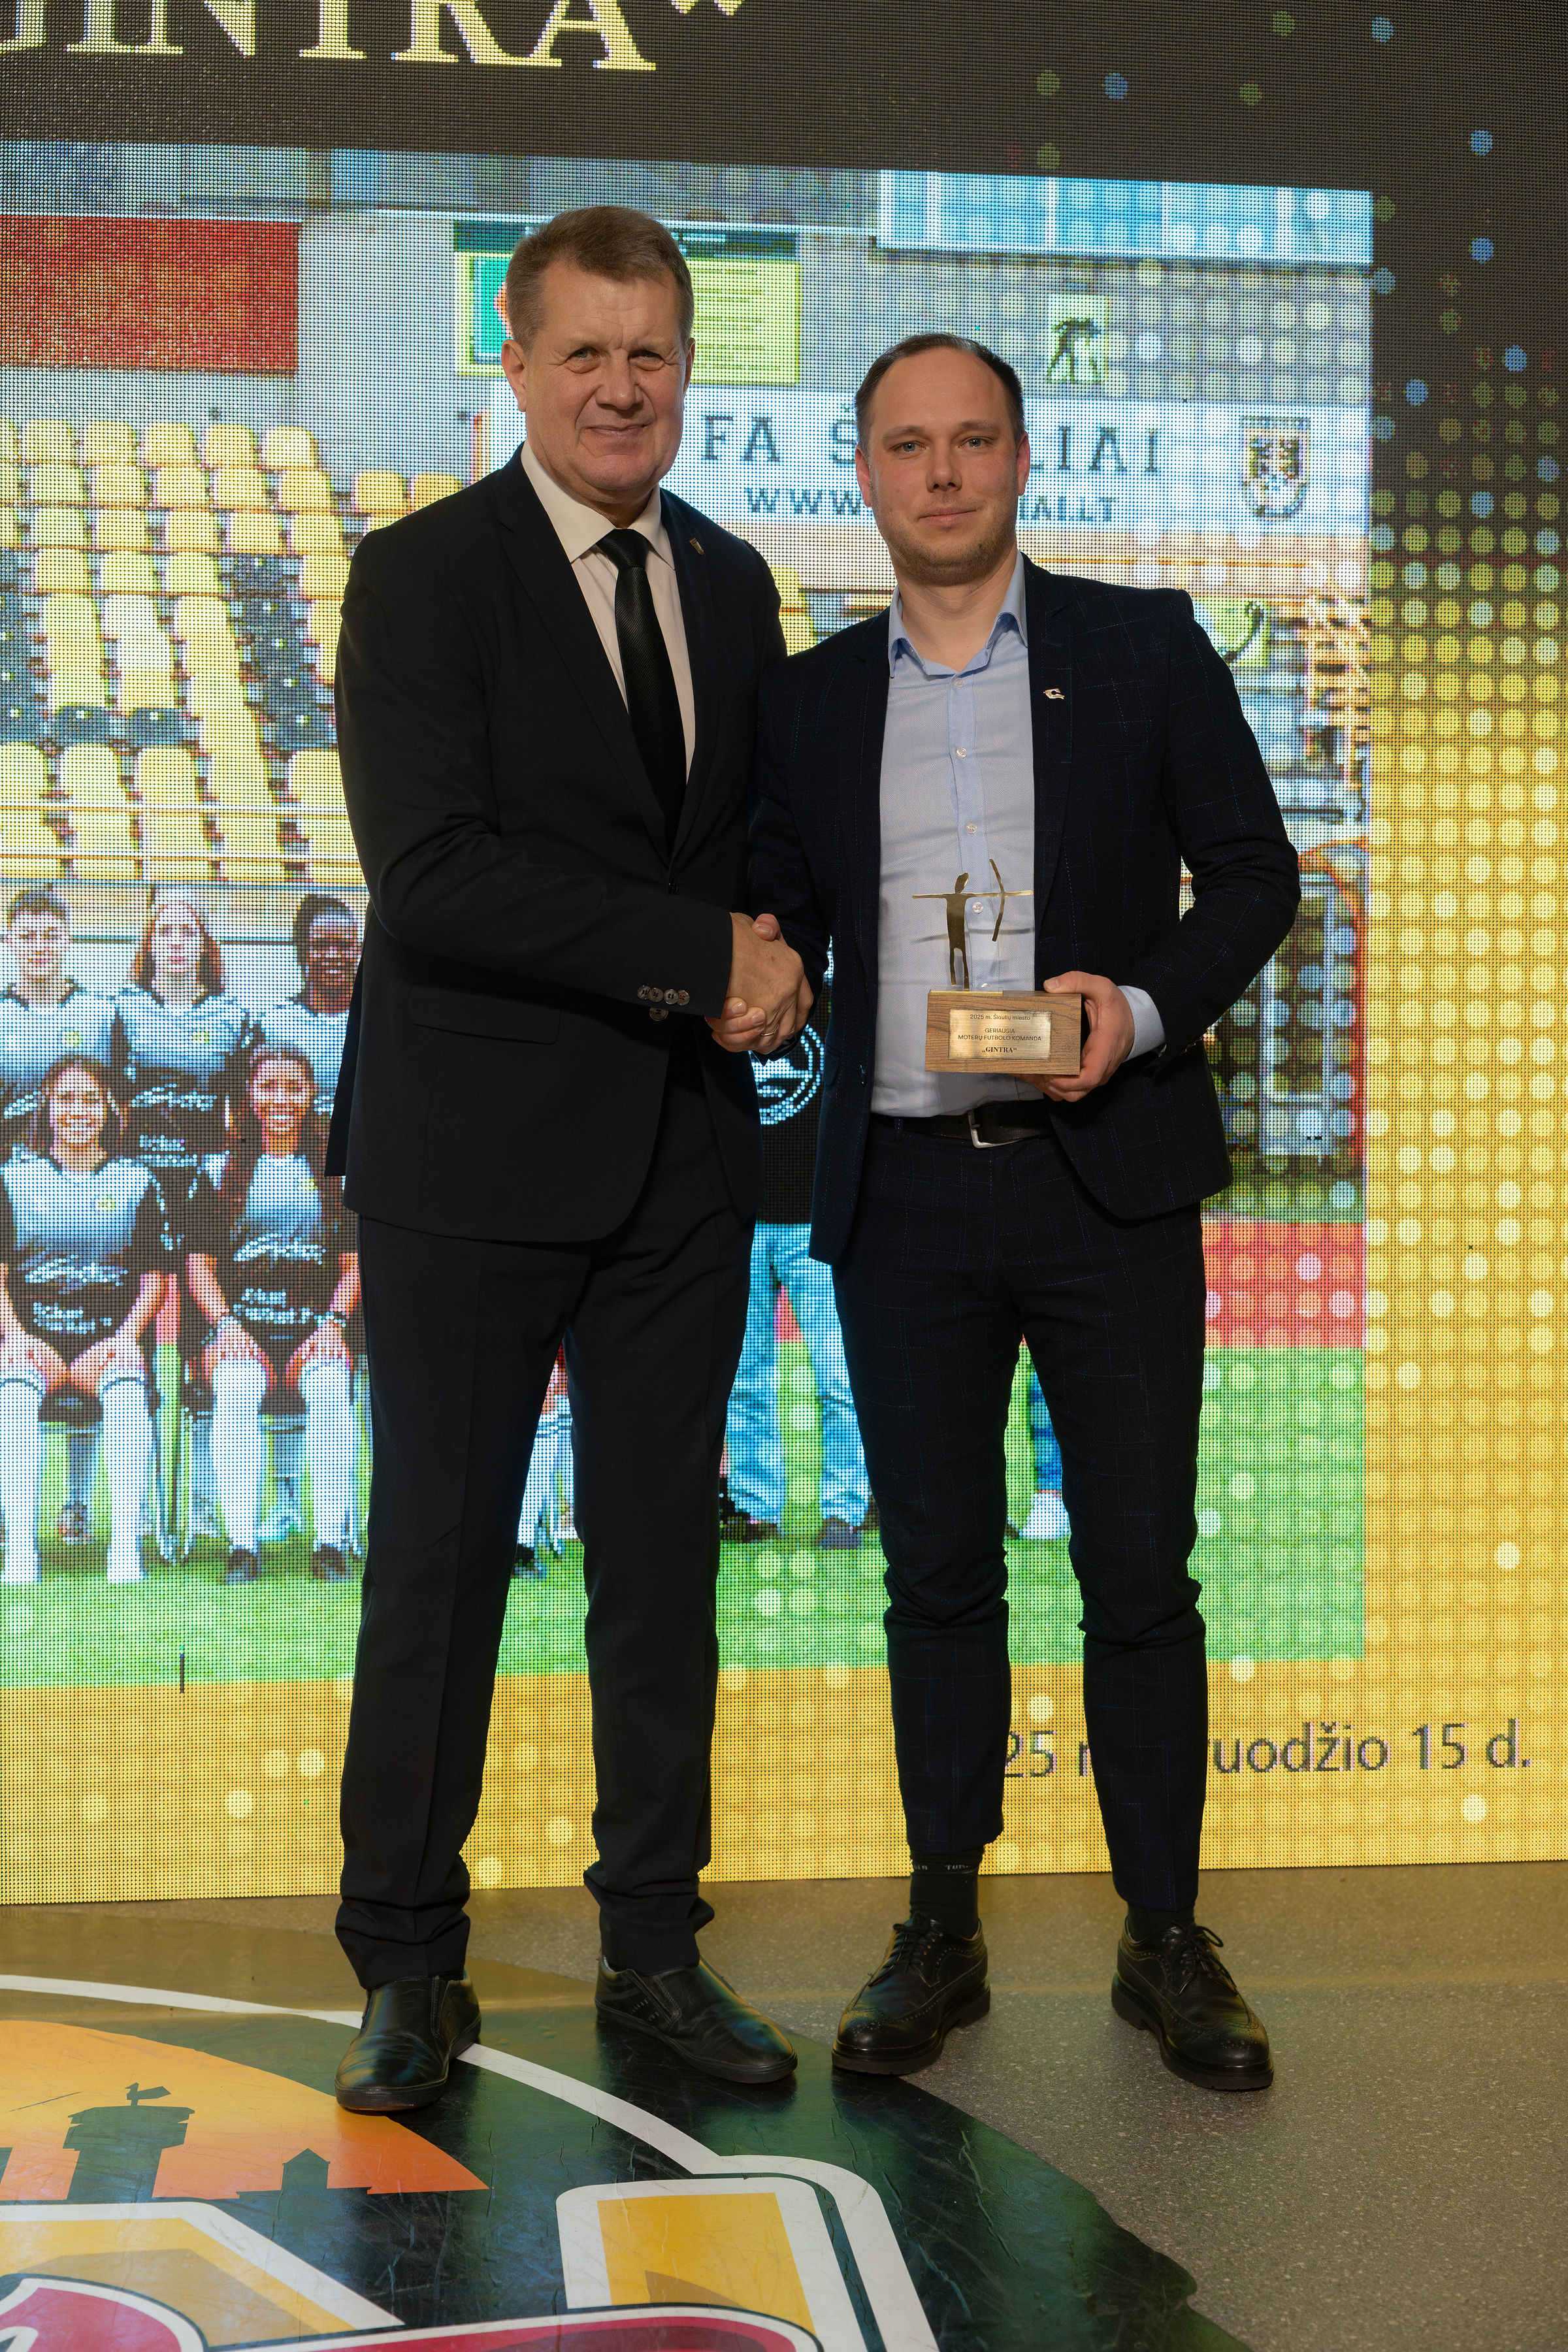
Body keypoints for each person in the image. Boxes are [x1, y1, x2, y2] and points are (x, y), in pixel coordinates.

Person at [725, 333, 1300, 2091]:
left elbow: (1256, 874)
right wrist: (747, 961)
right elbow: (771, 909)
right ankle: (939, 1929)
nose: (941, 472)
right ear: (864, 474)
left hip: (1103, 1177)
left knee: (1138, 1575)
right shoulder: (808, 699)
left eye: (971, 440)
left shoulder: (1145, 644)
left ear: (1021, 460)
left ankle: (1165, 1936)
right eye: (906, 445)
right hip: (902, 1191)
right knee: (935, 1582)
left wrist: (1136, 1007)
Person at [325, 204, 809, 2112]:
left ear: (686, 370)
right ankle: (404, 1963)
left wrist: (781, 959)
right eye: (585, 351)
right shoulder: (421, 574)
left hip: (677, 1162)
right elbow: (431, 872)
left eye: (651, 352)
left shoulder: (734, 582)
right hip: (466, 1158)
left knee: (662, 1573)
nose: (621, 386)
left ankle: (655, 1950)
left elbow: (756, 853)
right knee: (440, 1565)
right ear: (515, 366)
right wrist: (703, 956)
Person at [186, 1043, 360, 1587]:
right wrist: (226, 1326)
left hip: (313, 1333)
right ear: (249, 1095)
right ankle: (243, 1545)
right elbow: (198, 1267)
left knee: (330, 1388)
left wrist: (333, 1323)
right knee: (237, 1387)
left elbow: (356, 1266)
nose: (280, 1098)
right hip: (243, 1331)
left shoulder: (338, 1172)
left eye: (292, 1087)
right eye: (268, 1087)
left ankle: (330, 1543)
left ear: (310, 1096)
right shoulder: (218, 1169)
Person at [0, 1055, 169, 1586]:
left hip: (108, 1344)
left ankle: (125, 1548)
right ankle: (21, 1548)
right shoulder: (13, 1178)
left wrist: (123, 1339)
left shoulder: (137, 1180)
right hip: (35, 1343)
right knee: (14, 1398)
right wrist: (17, 1336)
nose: (79, 1110)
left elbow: (155, 1278)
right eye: (67, 1098)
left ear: (110, 1108)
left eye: (91, 1099)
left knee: (128, 1394)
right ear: (46, 1106)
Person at [721, 985, 872, 1549]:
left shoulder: (832, 994)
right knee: (744, 1380)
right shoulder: (728, 994)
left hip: (816, 1219)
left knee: (840, 1378)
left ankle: (845, 1510)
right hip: (741, 1217)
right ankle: (753, 1508)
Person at [0, 889, 118, 1545]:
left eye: (51, 934)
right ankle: (7, 1507)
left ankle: (76, 1503)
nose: (40, 946)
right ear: (10, 943)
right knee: (14, 1356)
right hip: (12, 1205)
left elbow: (114, 1106)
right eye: (27, 935)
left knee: (80, 1332)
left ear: (68, 941)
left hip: (77, 1202)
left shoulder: (98, 1014)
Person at [255, 894, 363, 1543]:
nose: (334, 955)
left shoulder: (381, 1017)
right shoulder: (275, 1023)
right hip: (306, 1198)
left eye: (345, 943)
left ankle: (347, 1515)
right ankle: (288, 1499)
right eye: (321, 944)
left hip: (375, 1200)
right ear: (300, 951)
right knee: (289, 1344)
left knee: (351, 1362)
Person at [112, 890, 260, 1241]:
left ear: (205, 944)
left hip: (207, 1172)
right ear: (149, 943)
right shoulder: (121, 1011)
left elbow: (246, 1108)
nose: (176, 942)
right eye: (165, 931)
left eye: (188, 932)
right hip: (139, 1171)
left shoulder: (233, 1016)